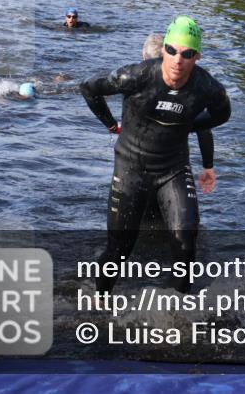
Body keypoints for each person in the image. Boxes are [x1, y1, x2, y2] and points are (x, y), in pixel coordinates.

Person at [80, 16, 229, 293]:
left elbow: (222, 115)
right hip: (130, 168)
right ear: (163, 50)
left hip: (173, 168)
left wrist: (188, 126)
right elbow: (89, 89)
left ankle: (180, 315)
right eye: (171, 50)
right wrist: (111, 125)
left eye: (186, 54)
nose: (177, 60)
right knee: (119, 250)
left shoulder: (207, 87)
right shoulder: (135, 76)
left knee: (186, 244)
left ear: (197, 56)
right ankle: (99, 301)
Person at [141, 33, 215, 182]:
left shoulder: (136, 83)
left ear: (143, 57)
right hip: (175, 164)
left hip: (137, 163)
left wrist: (112, 126)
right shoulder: (191, 90)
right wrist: (208, 166)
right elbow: (204, 129)